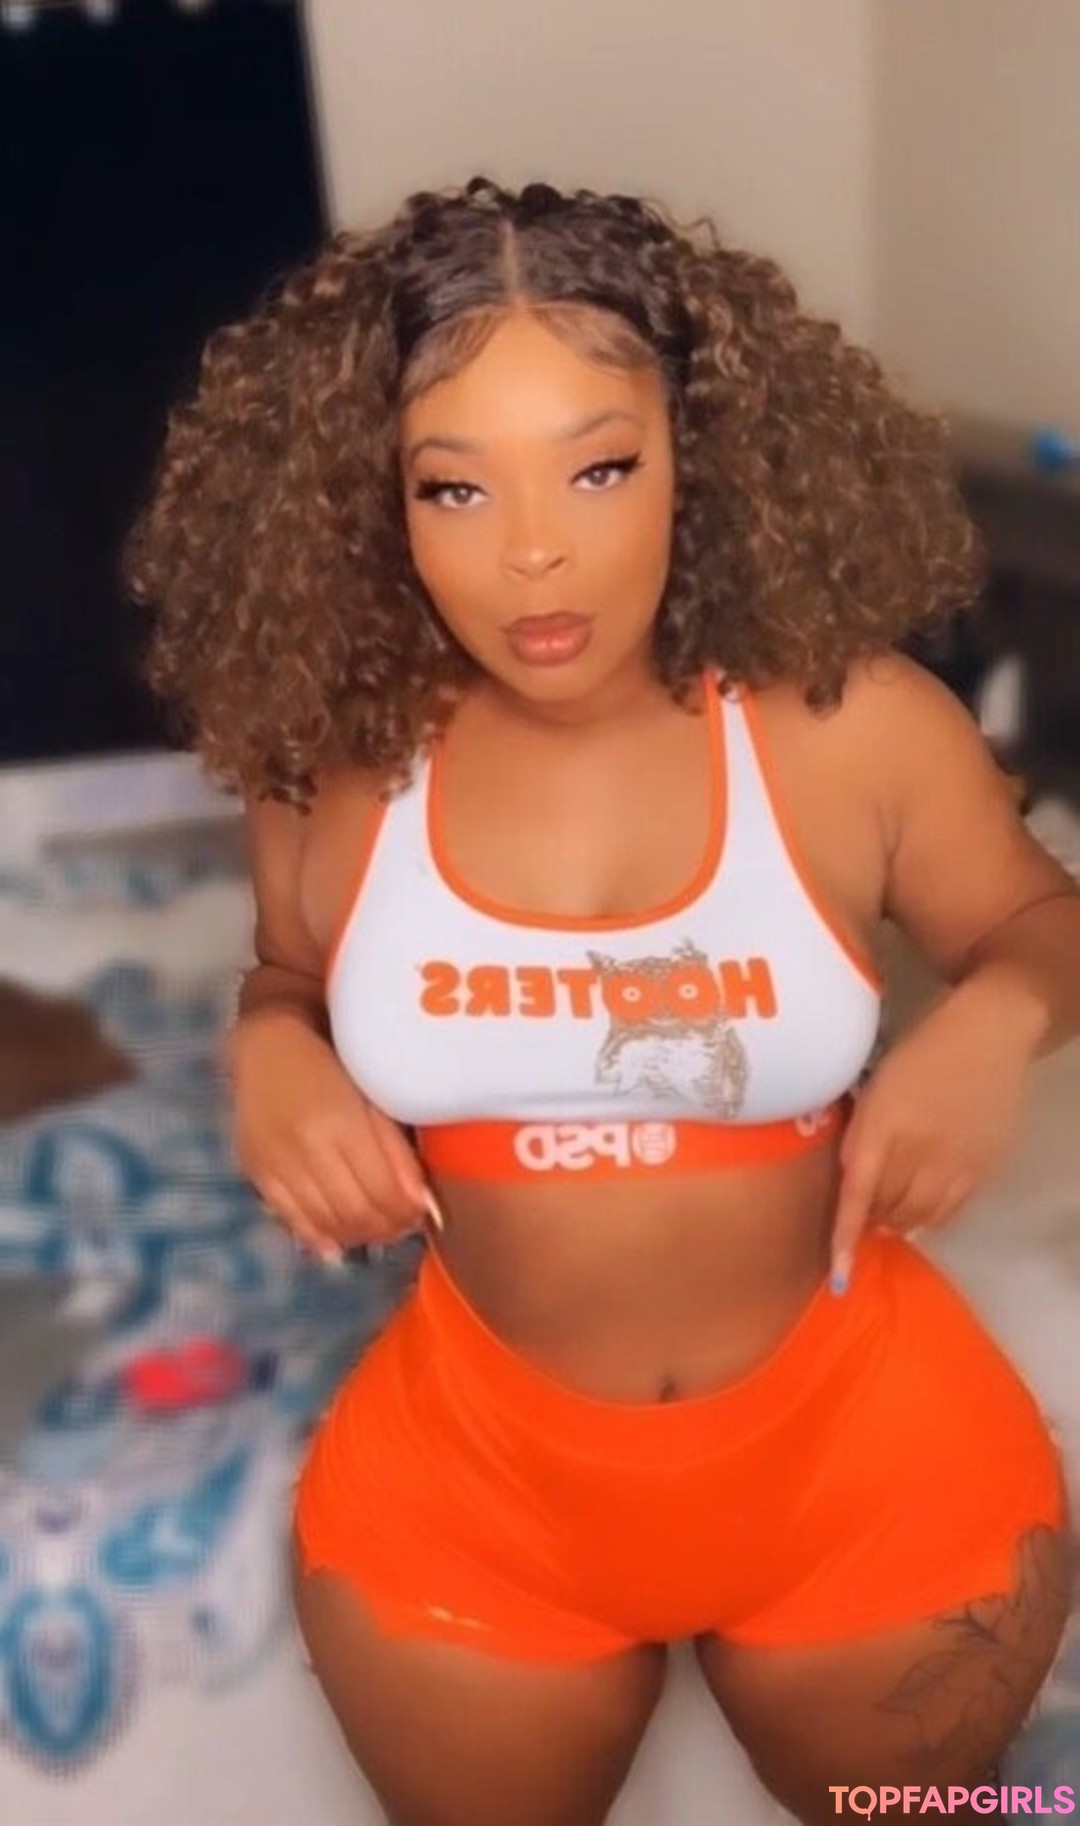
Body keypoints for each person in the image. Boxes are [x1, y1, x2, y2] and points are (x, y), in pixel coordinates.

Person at [125, 176, 1079, 1826]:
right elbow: (287, 970)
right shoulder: (330, 767)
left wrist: (995, 1022)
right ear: (374, 509)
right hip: (476, 1494)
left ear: (698, 462)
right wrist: (268, 1044)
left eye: (600, 465)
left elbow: (1040, 922)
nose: (534, 549)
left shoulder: (852, 725)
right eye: (454, 485)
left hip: (872, 1463)